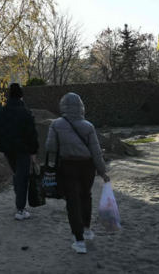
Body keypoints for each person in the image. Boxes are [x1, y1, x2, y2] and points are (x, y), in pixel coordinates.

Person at [46, 93, 110, 255]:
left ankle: (78, 240)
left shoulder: (56, 124)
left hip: (67, 165)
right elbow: (96, 152)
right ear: (81, 106)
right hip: (87, 166)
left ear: (63, 106)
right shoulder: (88, 126)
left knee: (72, 201)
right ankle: (87, 230)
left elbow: (50, 147)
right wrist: (102, 172)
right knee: (86, 196)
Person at [0, 83, 39, 221]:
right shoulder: (26, 113)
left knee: (17, 174)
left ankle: (19, 202)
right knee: (23, 177)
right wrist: (33, 153)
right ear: (21, 96)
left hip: (8, 149)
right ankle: (20, 209)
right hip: (24, 149)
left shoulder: (1, 112)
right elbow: (32, 133)